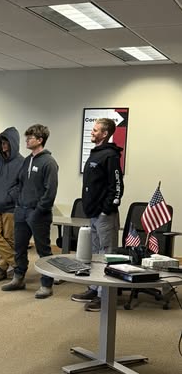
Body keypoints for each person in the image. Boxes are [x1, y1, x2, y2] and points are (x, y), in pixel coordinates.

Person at [71, 117, 124, 312]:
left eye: (95, 130)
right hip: (93, 213)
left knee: (107, 254)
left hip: (104, 215)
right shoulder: (96, 153)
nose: (92, 133)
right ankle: (94, 289)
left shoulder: (110, 155)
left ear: (104, 133)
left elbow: (117, 187)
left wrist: (105, 209)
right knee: (94, 254)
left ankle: (105, 296)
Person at [1, 124, 58, 298]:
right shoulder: (27, 160)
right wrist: (17, 200)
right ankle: (18, 278)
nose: (26, 140)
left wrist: (38, 210)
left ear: (40, 140)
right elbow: (18, 183)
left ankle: (46, 285)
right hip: (21, 211)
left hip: (38, 214)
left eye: (30, 138)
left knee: (43, 251)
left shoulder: (49, 162)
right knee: (19, 248)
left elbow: (50, 192)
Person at [0, 127, 24, 281]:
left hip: (10, 207)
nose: (3, 145)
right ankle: (17, 263)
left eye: (5, 142)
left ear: (13, 143)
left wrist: (10, 196)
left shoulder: (22, 162)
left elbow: (22, 185)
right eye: (1, 143)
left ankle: (1, 268)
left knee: (9, 238)